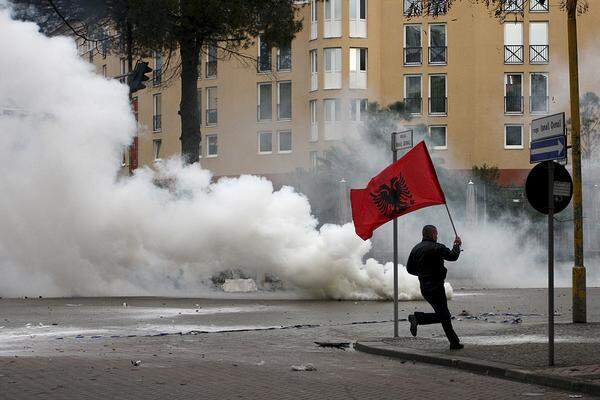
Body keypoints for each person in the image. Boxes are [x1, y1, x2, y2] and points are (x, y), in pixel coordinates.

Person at [406, 224, 463, 350]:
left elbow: (409, 269)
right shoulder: (437, 248)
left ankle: (454, 343)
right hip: (436, 286)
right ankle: (417, 318)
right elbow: (453, 256)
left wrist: (422, 274)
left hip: (424, 287)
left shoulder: (416, 248)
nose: (437, 236)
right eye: (436, 234)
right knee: (444, 315)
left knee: (443, 314)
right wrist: (457, 245)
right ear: (433, 234)